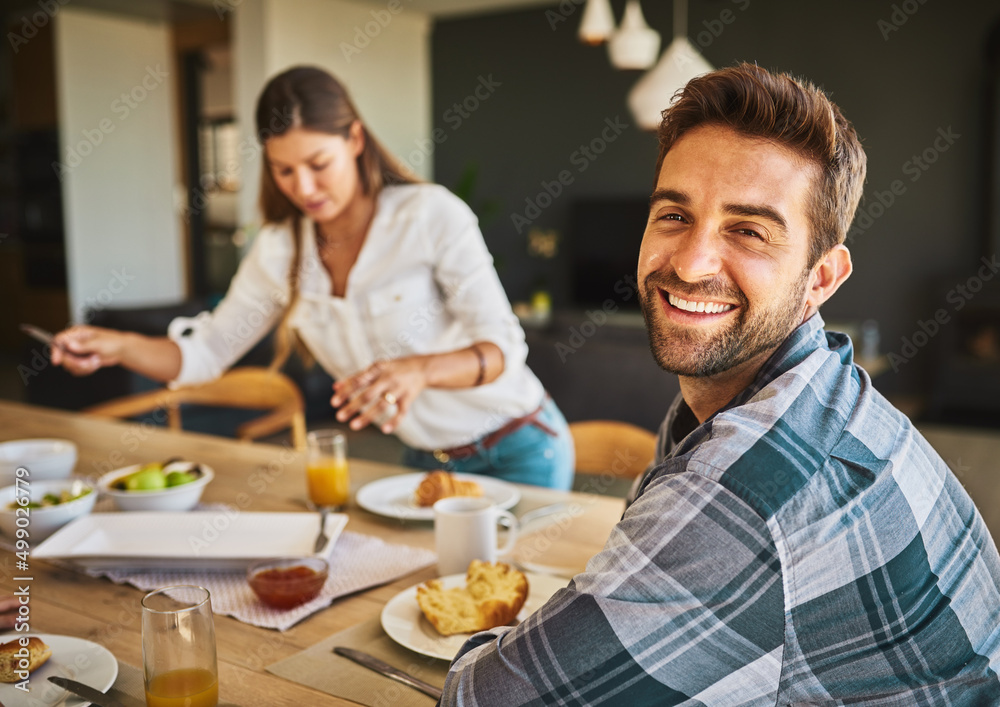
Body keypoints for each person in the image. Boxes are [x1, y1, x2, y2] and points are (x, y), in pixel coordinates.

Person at [440, 63, 1000, 704]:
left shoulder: (749, 483)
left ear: (822, 277)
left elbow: (482, 699)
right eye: (674, 216)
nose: (690, 261)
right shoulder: (818, 388)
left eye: (748, 230)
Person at [49, 66, 574, 490]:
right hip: (425, 463)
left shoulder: (429, 215)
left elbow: (504, 348)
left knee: (518, 615)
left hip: (520, 448)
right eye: (284, 170)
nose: (304, 186)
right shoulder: (280, 249)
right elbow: (204, 353)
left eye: (318, 163)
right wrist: (117, 345)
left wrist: (418, 370)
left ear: (354, 139)